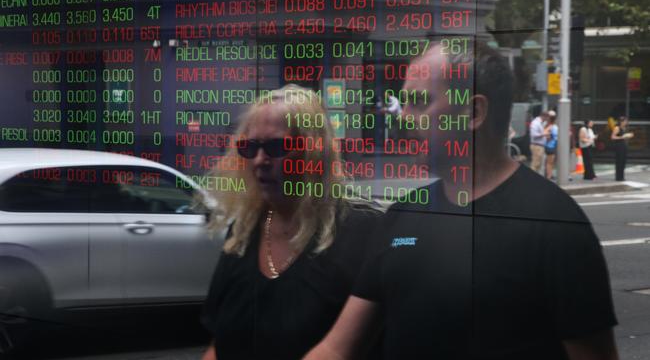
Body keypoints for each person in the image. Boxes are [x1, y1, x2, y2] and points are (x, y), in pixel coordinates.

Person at [305, 42, 618, 360]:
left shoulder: (556, 224)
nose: (405, 118)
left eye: (419, 103)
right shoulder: (401, 216)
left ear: (473, 112)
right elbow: (337, 348)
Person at [200, 84, 381, 360]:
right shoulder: (244, 230)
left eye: (276, 146)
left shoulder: (362, 231)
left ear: (314, 152)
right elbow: (218, 345)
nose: (260, 160)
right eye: (250, 147)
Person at [611, 116, 634, 181]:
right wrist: (622, 137)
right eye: (625, 121)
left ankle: (621, 176)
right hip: (619, 146)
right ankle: (618, 177)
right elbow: (612, 137)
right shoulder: (617, 128)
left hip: (623, 146)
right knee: (619, 161)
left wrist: (629, 135)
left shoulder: (624, 128)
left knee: (623, 161)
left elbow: (625, 136)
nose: (626, 122)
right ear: (621, 122)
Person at [544, 113, 558, 179]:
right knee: (549, 163)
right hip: (550, 146)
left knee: (550, 162)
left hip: (551, 146)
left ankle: (550, 175)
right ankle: (548, 176)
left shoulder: (550, 126)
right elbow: (545, 134)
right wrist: (549, 137)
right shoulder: (552, 127)